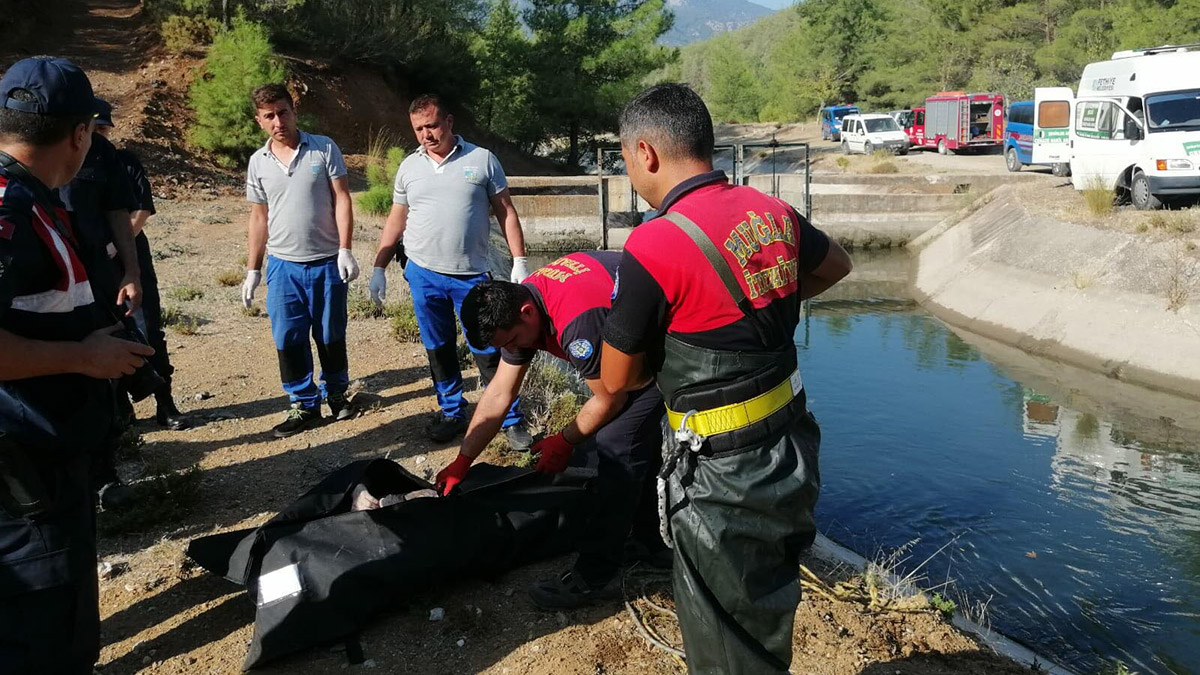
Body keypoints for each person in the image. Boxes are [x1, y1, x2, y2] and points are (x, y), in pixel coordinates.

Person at [599, 84, 853, 674]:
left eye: (625, 157)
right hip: (790, 446)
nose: (630, 171)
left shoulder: (655, 243)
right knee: (765, 602)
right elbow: (836, 265)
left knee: (722, 630)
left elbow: (617, 377)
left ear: (647, 153)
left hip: (720, 473)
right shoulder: (772, 212)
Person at [0, 56, 157, 674]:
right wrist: (81, 356)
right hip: (24, 457)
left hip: (49, 451)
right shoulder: (11, 212)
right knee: (42, 627)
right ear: (80, 133)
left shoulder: (34, 199)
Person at [436, 252, 669, 608]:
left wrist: (564, 440)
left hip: (665, 346)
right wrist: (462, 461)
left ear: (527, 313)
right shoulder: (522, 306)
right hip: (630, 339)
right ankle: (649, 541)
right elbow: (499, 393)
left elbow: (611, 397)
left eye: (513, 341)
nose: (513, 350)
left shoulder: (577, 323)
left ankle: (594, 577)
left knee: (616, 449)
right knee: (636, 446)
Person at [368, 94, 532, 447]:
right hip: (424, 273)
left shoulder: (482, 160)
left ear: (449, 122)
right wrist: (379, 266)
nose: (426, 134)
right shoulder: (409, 167)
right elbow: (397, 218)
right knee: (438, 347)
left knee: (489, 347)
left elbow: (506, 211)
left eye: (432, 125)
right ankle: (452, 411)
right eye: (418, 129)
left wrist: (519, 260)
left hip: (472, 275)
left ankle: (509, 416)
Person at [241, 83, 358, 438]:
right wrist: (252, 269)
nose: (278, 121)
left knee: (330, 331)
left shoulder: (323, 148)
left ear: (294, 111)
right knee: (288, 335)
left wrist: (345, 248)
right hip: (283, 266)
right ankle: (303, 404)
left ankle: (336, 394)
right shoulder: (258, 162)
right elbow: (258, 217)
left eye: (283, 112)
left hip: (325, 261)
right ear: (259, 121)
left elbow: (342, 199)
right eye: (269, 116)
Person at [95, 98, 192, 430]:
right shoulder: (71, 169)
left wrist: (114, 248)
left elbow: (141, 210)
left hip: (131, 257)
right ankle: (122, 410)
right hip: (94, 265)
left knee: (148, 328)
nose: (97, 133)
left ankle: (165, 404)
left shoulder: (124, 162)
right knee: (109, 330)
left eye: (101, 128)